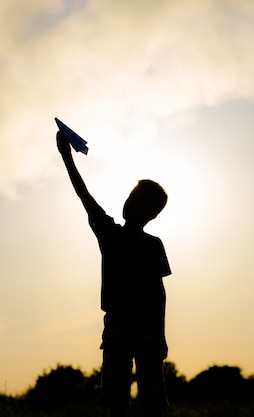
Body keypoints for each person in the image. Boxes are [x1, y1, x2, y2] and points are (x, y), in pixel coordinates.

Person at [57, 131, 172, 417]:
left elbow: (159, 294)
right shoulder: (137, 240)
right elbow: (159, 294)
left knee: (134, 398)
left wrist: (66, 157)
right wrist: (66, 157)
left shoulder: (114, 235)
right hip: (130, 325)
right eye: (132, 196)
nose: (129, 202)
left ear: (151, 213)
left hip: (128, 325)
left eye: (135, 199)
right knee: (135, 398)